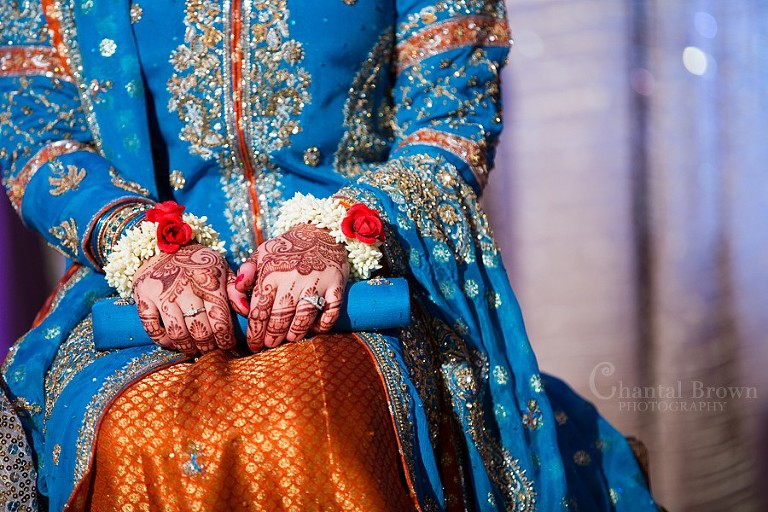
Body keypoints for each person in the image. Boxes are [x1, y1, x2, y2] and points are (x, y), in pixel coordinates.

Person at [0, 1, 659, 510]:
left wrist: (336, 235)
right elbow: (37, 130)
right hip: (144, 287)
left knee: (309, 419)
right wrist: (144, 247)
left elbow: (447, 121)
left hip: (366, 272)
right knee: (135, 432)